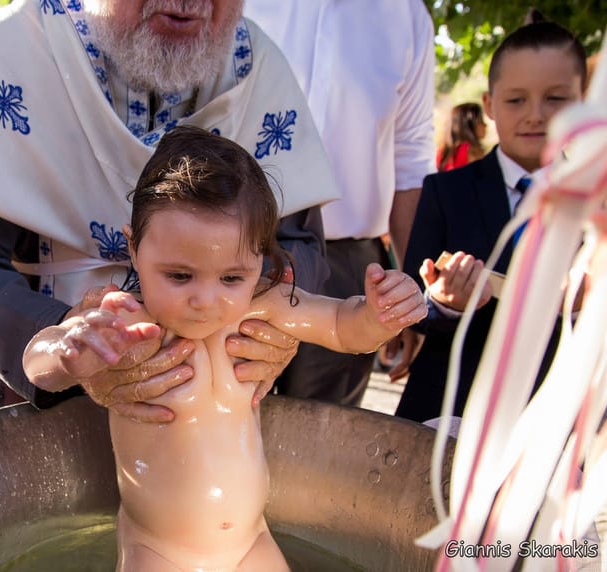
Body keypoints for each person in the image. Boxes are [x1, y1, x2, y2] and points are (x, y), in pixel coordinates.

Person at [0, 0, 342, 420]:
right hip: (36, 412)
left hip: (208, 409)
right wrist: (66, 344)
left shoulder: (258, 64)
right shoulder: (9, 56)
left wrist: (269, 328)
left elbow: (298, 241)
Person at [23, 126, 428, 571]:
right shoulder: (127, 324)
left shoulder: (262, 309)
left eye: (232, 277)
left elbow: (342, 327)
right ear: (135, 249)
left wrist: (379, 313)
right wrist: (66, 348)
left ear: (260, 258)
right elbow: (38, 364)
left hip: (250, 544)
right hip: (156, 549)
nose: (206, 300)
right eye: (179, 276)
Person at [394, 15, 588, 422]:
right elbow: (414, 298)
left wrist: (582, 305)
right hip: (451, 402)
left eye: (555, 99)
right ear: (489, 105)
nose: (535, 115)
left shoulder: (595, 202)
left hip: (555, 413)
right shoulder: (446, 191)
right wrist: (445, 304)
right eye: (517, 100)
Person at [243, 0, 436, 406]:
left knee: (323, 441)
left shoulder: (405, 16)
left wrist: (415, 292)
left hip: (350, 268)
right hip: (229, 255)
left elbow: (411, 159)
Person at [436, 102, 488, 171]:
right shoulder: (474, 151)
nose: (485, 125)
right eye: (480, 121)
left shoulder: (443, 152)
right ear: (469, 125)